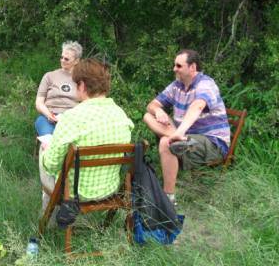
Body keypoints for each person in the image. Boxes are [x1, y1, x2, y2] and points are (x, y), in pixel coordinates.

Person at [39, 59, 134, 212]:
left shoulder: (71, 118)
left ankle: (47, 213)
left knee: (45, 152)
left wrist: (47, 149)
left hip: (75, 194)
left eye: (75, 85)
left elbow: (51, 165)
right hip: (109, 190)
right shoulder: (122, 117)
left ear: (82, 85)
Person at [143, 49, 230, 204]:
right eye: (174, 65)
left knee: (166, 142)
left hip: (212, 142)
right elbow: (152, 104)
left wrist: (180, 132)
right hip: (186, 137)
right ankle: (176, 137)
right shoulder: (177, 86)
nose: (174, 69)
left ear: (192, 67)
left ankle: (168, 199)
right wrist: (158, 111)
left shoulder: (206, 84)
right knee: (148, 116)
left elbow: (197, 105)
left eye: (178, 65)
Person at [35, 41, 83, 136]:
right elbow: (39, 103)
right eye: (61, 57)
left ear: (76, 61)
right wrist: (48, 114)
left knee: (74, 140)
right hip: (48, 117)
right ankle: (45, 149)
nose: (62, 60)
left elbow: (86, 103)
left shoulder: (81, 79)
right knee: (48, 139)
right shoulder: (49, 76)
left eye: (66, 59)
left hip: (72, 118)